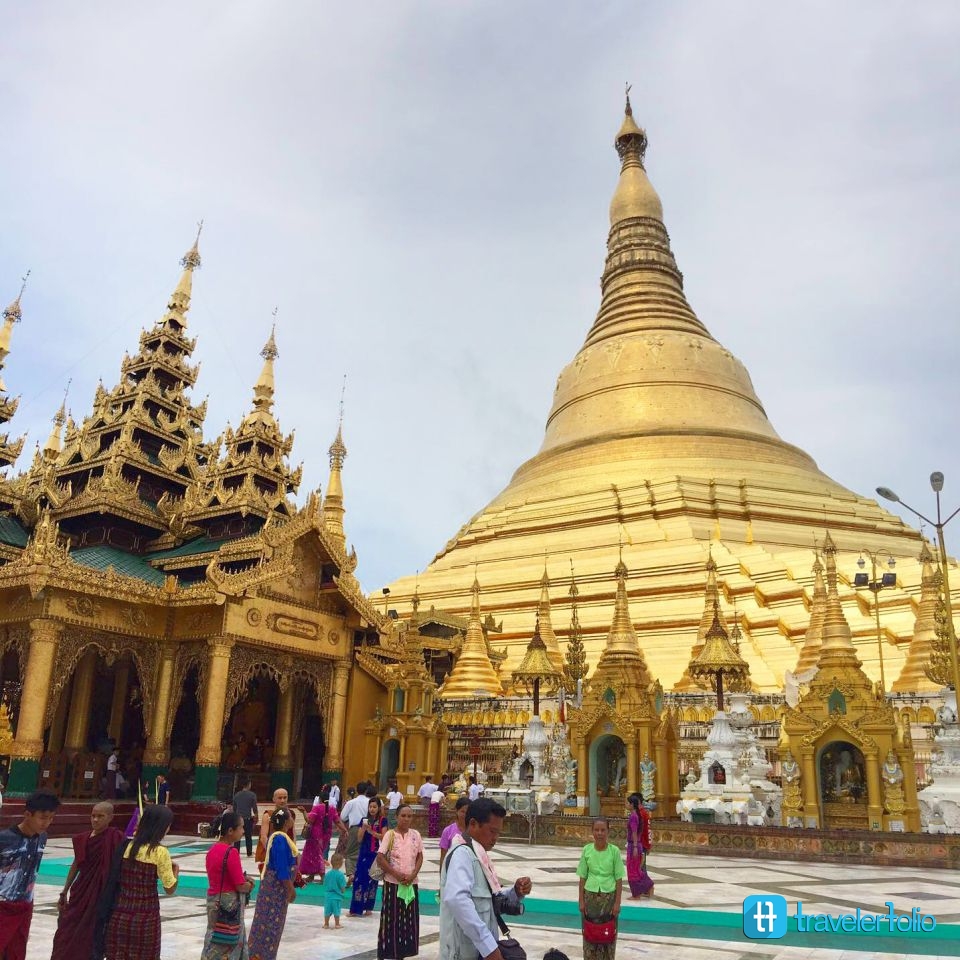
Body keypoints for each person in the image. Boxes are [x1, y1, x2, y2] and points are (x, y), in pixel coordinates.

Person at [439, 796, 532, 960]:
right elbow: (457, 899)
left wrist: (515, 892)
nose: (496, 838)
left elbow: (488, 901)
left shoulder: (479, 856)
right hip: (463, 953)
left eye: (498, 832)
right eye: (492, 831)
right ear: (473, 824)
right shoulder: (462, 854)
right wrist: (488, 947)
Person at [100, 803, 179, 960]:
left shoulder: (125, 846)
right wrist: (175, 870)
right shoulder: (160, 852)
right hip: (146, 919)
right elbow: (169, 888)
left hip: (119, 916)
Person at [51, 801, 123, 960]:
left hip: (101, 894)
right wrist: (64, 890)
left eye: (100, 816)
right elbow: (76, 864)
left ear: (110, 817)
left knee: (93, 934)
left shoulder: (116, 837)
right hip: (81, 891)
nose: (95, 820)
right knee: (67, 929)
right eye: (93, 816)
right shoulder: (83, 839)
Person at [0, 789, 59, 960]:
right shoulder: (4, 839)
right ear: (27, 814)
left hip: (25, 903)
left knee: (16, 952)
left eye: (51, 818)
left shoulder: (42, 838)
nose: (46, 823)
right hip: (3, 904)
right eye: (42, 817)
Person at [201, 811, 254, 960]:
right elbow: (240, 885)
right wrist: (250, 884)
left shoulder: (212, 850)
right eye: (241, 828)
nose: (243, 831)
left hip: (213, 900)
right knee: (230, 940)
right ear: (230, 831)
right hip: (228, 902)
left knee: (214, 934)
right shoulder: (231, 852)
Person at [247, 808, 298, 960]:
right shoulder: (280, 840)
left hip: (273, 890)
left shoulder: (276, 837)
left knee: (266, 924)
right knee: (270, 927)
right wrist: (291, 889)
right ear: (287, 821)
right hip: (276, 891)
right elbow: (282, 869)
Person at [375, 803, 423, 959]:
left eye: (409, 816)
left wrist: (413, 874)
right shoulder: (390, 835)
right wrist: (396, 874)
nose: (406, 819)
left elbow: (420, 856)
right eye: (403, 815)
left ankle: (403, 952)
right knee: (391, 918)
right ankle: (387, 951)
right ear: (396, 817)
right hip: (392, 884)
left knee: (408, 918)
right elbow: (380, 858)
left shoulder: (416, 834)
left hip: (411, 883)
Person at [577, 817, 624, 960]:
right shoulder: (587, 850)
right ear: (592, 832)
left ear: (608, 832)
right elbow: (582, 878)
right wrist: (581, 900)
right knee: (590, 933)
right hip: (590, 898)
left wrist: (617, 903)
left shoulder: (614, 851)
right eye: (596, 830)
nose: (599, 833)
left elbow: (619, 879)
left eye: (603, 830)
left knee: (608, 933)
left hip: (609, 898)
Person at [350, 796, 388, 916]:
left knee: (373, 880)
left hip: (376, 854)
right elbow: (359, 838)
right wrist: (363, 829)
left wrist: (371, 831)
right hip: (364, 853)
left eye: (374, 807)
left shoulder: (383, 820)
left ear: (378, 808)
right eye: (370, 807)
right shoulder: (364, 820)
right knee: (359, 879)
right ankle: (355, 909)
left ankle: (368, 908)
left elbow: (384, 837)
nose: (372, 809)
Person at [301, 788, 345, 883]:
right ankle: (311, 875)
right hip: (326, 835)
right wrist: (345, 830)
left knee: (314, 855)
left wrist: (304, 812)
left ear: (320, 799)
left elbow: (309, 820)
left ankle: (322, 875)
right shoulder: (332, 809)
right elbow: (337, 821)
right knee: (317, 854)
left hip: (315, 835)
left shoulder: (317, 808)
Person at [255, 788, 296, 866]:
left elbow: (293, 835)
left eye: (285, 797)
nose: (282, 800)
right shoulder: (268, 815)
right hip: (272, 853)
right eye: (279, 798)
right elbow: (263, 837)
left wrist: (293, 852)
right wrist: (272, 853)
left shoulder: (290, 814)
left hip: (287, 853)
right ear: (274, 799)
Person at [340, 782, 373, 877]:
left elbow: (342, 816)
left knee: (350, 852)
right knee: (365, 851)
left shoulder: (351, 802)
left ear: (357, 790)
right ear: (366, 791)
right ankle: (362, 873)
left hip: (354, 828)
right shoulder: (370, 802)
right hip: (368, 828)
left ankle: (351, 874)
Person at [625, 793, 653, 898]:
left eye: (628, 803)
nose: (626, 804)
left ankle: (638, 892)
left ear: (632, 804)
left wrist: (636, 847)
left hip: (635, 845)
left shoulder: (634, 816)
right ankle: (646, 887)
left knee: (633, 869)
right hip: (638, 844)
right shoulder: (639, 814)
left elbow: (634, 833)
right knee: (637, 869)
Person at [438, 796, 470, 870]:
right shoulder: (448, 831)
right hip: (452, 870)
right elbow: (443, 856)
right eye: (462, 811)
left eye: (467, 812)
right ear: (456, 811)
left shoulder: (474, 831)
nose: (465, 815)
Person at [232, 780, 259, 858]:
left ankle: (236, 852)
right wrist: (257, 816)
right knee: (248, 836)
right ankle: (249, 852)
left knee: (237, 836)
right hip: (247, 818)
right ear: (249, 785)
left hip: (238, 818)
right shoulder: (252, 795)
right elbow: (254, 808)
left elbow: (234, 808)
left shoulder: (236, 795)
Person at [323, 852, 347, 928]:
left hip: (328, 896)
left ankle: (326, 924)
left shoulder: (328, 874)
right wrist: (343, 891)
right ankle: (337, 924)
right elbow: (342, 886)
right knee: (336, 911)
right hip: (336, 897)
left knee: (327, 910)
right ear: (340, 864)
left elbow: (325, 883)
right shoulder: (340, 875)